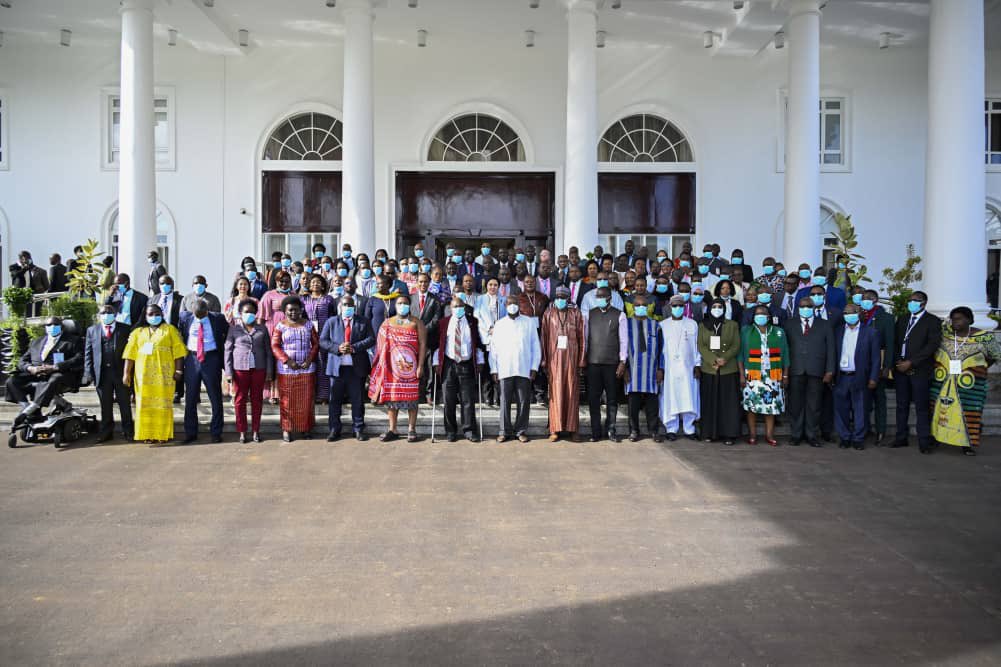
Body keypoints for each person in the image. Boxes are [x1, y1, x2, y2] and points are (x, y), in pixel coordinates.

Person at [930, 306, 1001, 456]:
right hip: (942, 382)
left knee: (969, 412)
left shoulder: (984, 337)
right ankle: (936, 438)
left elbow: (995, 355)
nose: (955, 322)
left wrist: (978, 368)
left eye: (959, 318)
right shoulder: (945, 334)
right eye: (953, 319)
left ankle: (967, 444)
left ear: (969, 319)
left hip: (970, 385)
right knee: (939, 410)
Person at [123, 304, 187, 444]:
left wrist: (178, 370)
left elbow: (179, 352)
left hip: (164, 376)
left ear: (162, 314)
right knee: (143, 405)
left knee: (163, 405)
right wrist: (126, 373)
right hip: (143, 376)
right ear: (145, 316)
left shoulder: (170, 330)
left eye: (157, 314)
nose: (154, 317)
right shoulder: (137, 332)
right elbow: (130, 354)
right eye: (150, 314)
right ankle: (146, 434)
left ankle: (162, 434)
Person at [369, 295, 427, 442]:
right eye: (400, 303)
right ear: (395, 305)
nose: (402, 305)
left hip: (411, 369)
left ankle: (411, 429)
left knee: (412, 400)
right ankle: (392, 429)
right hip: (392, 370)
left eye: (405, 303)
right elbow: (381, 346)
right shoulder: (387, 323)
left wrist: (420, 366)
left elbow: (423, 345)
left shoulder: (416, 322)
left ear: (410, 305)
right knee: (392, 400)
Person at [6, 316, 84, 426]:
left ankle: (27, 412)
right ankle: (29, 409)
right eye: (49, 325)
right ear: (45, 327)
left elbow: (79, 358)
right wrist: (30, 368)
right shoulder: (36, 342)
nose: (52, 327)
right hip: (36, 373)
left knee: (54, 379)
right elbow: (23, 360)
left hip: (61, 374)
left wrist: (54, 367)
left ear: (62, 327)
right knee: (12, 381)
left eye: (55, 325)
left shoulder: (74, 341)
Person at [892, 291, 943, 453]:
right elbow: (896, 341)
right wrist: (898, 361)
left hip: (920, 370)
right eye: (910, 300)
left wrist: (911, 362)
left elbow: (932, 345)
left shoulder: (933, 321)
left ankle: (924, 441)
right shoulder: (903, 319)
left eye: (916, 300)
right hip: (901, 369)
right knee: (901, 406)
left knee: (921, 407)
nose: (912, 302)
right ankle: (901, 437)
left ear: (924, 303)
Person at [320, 295, 376, 442]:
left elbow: (371, 339)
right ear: (340, 306)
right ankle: (334, 430)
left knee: (357, 401)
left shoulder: (363, 321)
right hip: (336, 369)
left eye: (350, 305)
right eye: (345, 305)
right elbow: (323, 341)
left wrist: (354, 348)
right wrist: (337, 348)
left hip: (356, 369)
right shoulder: (331, 322)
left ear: (354, 307)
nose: (347, 307)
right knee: (335, 401)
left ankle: (358, 429)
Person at [783, 296, 835, 446]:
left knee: (814, 405)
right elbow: (785, 349)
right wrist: (784, 371)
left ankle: (812, 435)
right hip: (795, 369)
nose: (805, 309)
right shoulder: (789, 324)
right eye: (802, 306)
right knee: (795, 405)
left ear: (814, 308)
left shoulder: (825, 325)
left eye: (808, 306)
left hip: (817, 370)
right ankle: (796, 434)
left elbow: (831, 349)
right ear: (798, 308)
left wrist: (830, 371)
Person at [490, 294, 542, 443]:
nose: (512, 306)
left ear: (519, 305)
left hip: (524, 368)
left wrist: (534, 367)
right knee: (504, 401)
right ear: (505, 306)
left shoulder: (529, 322)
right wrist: (494, 369)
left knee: (523, 401)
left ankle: (521, 430)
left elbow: (535, 346)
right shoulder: (499, 324)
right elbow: (494, 350)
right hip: (505, 368)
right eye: (509, 303)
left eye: (515, 303)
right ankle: (504, 431)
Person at [433, 295, 485, 442]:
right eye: (455, 306)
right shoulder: (443, 323)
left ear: (465, 307)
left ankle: (469, 430)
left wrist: (480, 360)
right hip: (449, 364)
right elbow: (437, 344)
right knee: (448, 400)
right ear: (450, 308)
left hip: (466, 364)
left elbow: (478, 343)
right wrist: (437, 362)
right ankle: (450, 431)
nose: (458, 309)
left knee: (467, 399)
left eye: (461, 306)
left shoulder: (472, 322)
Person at [178, 299, 229, 444]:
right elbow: (180, 334)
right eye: (197, 315)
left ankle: (216, 432)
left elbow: (228, 334)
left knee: (215, 397)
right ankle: (191, 432)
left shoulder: (218, 318)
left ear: (207, 310)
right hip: (192, 359)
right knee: (191, 398)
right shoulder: (185, 318)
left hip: (211, 358)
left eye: (203, 315)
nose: (200, 318)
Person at [539, 287, 586, 442]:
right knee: (555, 395)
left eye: (563, 297)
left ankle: (573, 429)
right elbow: (544, 338)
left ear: (568, 298)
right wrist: (544, 360)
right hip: (554, 360)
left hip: (572, 360)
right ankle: (555, 429)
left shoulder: (576, 314)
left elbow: (582, 338)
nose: (560, 299)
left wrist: (581, 361)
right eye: (557, 296)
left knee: (572, 394)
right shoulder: (548, 314)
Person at [271, 296, 320, 442]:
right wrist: (287, 360)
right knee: (287, 401)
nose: (293, 313)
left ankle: (306, 428)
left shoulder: (309, 325)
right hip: (287, 370)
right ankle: (287, 429)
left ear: (301, 310)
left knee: (306, 400)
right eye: (290, 310)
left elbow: (316, 344)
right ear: (285, 311)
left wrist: (309, 359)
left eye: (296, 310)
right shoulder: (280, 326)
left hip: (307, 369)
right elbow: (275, 345)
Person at [82, 305, 134, 442]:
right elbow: (88, 353)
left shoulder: (125, 329)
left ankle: (128, 431)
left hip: (120, 372)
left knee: (124, 404)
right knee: (105, 405)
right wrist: (89, 373)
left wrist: (129, 372)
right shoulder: (92, 330)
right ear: (99, 314)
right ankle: (106, 432)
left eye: (109, 312)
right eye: (103, 312)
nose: (106, 314)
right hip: (102, 373)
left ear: (115, 313)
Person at [833, 304, 881, 450]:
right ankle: (845, 437)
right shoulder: (838, 331)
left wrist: (873, 378)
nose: (849, 315)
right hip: (841, 376)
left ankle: (859, 438)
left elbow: (876, 358)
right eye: (846, 313)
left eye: (852, 312)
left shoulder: (870, 332)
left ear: (859, 313)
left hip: (860, 376)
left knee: (861, 409)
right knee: (841, 409)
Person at [224, 300, 273, 444]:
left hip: (259, 368)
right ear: (240, 313)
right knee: (240, 400)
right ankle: (242, 431)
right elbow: (228, 350)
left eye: (252, 312)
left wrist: (269, 370)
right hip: (240, 369)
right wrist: (228, 372)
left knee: (257, 400)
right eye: (246, 312)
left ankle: (256, 431)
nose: (249, 314)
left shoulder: (262, 329)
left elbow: (268, 351)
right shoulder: (234, 329)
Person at [740, 304, 789, 446]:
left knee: (771, 406)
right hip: (753, 374)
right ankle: (753, 434)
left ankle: (769, 435)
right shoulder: (746, 331)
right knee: (751, 406)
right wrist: (742, 375)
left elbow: (785, 354)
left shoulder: (778, 332)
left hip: (772, 375)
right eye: (758, 314)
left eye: (764, 314)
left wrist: (785, 375)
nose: (761, 316)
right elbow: (740, 355)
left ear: (769, 317)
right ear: (753, 317)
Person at [584, 287, 627, 442]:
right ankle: (595, 432)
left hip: (612, 364)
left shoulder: (619, 315)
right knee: (593, 399)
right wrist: (584, 359)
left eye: (602, 296)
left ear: (609, 298)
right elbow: (586, 339)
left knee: (612, 399)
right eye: (597, 296)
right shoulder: (590, 314)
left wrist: (623, 362)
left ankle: (611, 429)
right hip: (593, 363)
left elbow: (623, 341)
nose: (599, 299)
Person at [697, 298, 741, 445]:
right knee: (709, 403)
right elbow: (701, 346)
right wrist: (713, 360)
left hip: (728, 369)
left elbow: (736, 345)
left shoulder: (732, 325)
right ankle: (709, 433)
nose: (717, 309)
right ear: (709, 309)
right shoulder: (702, 325)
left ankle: (729, 434)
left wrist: (724, 359)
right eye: (714, 306)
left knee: (728, 404)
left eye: (719, 306)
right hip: (709, 369)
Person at [657, 295, 701, 440]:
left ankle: (689, 429)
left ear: (684, 307)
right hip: (670, 368)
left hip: (688, 367)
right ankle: (672, 428)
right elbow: (660, 349)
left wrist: (697, 364)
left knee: (689, 397)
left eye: (680, 306)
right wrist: (661, 368)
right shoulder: (663, 325)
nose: (677, 308)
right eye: (675, 306)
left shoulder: (692, 324)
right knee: (671, 397)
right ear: (670, 307)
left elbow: (696, 346)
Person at [623, 293, 664, 442]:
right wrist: (625, 368)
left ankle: (654, 431)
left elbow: (662, 349)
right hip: (632, 370)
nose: (641, 308)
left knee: (652, 403)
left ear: (648, 308)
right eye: (638, 305)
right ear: (633, 307)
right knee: (633, 404)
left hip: (651, 370)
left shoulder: (655, 325)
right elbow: (621, 347)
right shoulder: (626, 324)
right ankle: (634, 430)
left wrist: (661, 368)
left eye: (644, 306)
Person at [860, 288, 895, 445]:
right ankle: (865, 428)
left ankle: (881, 430)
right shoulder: (859, 316)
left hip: (878, 362)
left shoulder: (885, 318)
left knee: (879, 397)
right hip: (861, 363)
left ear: (875, 300)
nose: (864, 300)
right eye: (863, 298)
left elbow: (890, 343)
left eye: (868, 298)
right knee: (863, 399)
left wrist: (887, 365)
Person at [302, 274, 337, 403]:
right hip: (308, 335)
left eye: (318, 282)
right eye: (313, 282)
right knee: (309, 363)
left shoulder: (329, 299)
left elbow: (333, 317)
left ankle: (323, 396)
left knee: (323, 364)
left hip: (325, 335)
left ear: (323, 285)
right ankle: (310, 394)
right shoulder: (304, 299)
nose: (315, 284)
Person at [411, 272, 444, 404]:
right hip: (414, 340)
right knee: (415, 367)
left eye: (425, 282)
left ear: (429, 283)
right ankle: (417, 393)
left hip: (429, 339)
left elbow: (436, 319)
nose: (423, 284)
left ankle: (430, 394)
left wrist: (423, 330)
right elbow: (408, 316)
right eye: (420, 282)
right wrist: (416, 330)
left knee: (429, 367)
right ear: (416, 283)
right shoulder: (410, 298)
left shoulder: (435, 300)